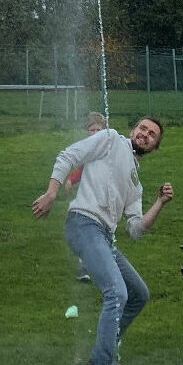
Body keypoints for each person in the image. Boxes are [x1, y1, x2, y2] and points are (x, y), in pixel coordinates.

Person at [32, 116, 174, 365]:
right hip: (83, 223)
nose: (145, 134)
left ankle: (99, 356)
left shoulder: (135, 183)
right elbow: (69, 155)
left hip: (104, 237)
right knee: (117, 293)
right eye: (142, 128)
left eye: (152, 134)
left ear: (154, 147)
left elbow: (135, 230)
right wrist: (51, 193)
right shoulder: (110, 140)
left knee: (138, 294)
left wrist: (159, 204)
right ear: (133, 130)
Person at [64, 111, 107, 283]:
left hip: (105, 198)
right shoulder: (87, 149)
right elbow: (81, 168)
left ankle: (103, 263)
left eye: (99, 130)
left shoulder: (108, 149)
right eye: (92, 130)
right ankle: (85, 266)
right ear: (86, 131)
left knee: (102, 233)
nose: (95, 134)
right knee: (86, 232)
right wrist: (70, 180)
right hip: (89, 197)